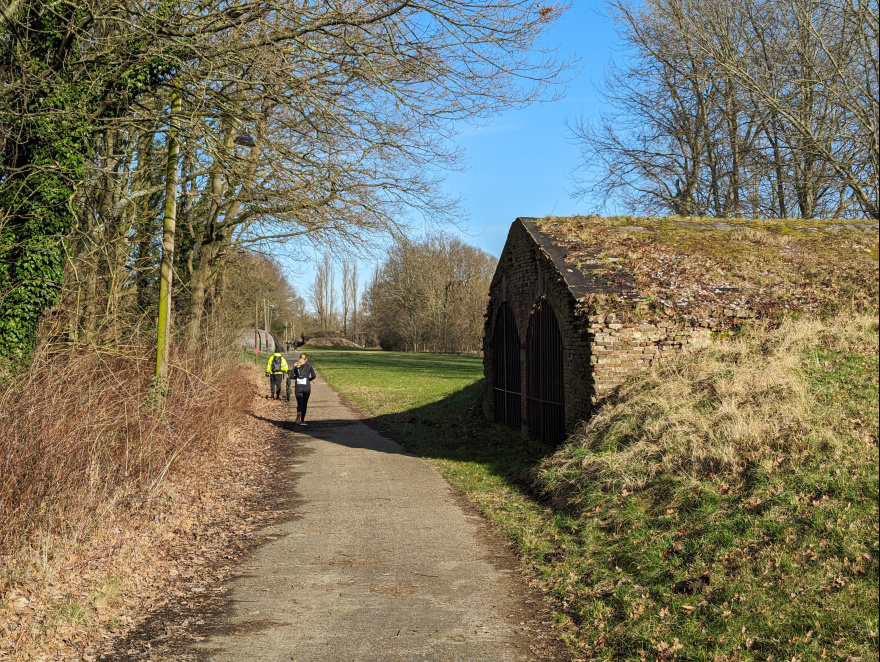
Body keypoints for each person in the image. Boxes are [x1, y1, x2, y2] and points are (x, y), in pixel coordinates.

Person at [291, 353, 317, 425]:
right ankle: (302, 420)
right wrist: (309, 379)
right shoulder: (309, 366)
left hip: (298, 387)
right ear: (306, 359)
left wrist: (296, 377)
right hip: (306, 387)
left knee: (299, 403)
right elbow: (314, 376)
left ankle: (299, 412)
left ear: (299, 358)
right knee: (304, 403)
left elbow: (291, 376)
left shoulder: (296, 366)